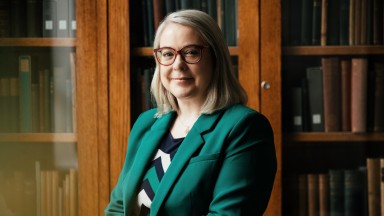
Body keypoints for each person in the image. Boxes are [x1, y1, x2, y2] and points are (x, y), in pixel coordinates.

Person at [105, 9, 277, 216]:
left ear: (215, 58)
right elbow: (118, 207)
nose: (178, 64)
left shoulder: (244, 127)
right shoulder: (146, 123)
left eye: (191, 52)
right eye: (168, 54)